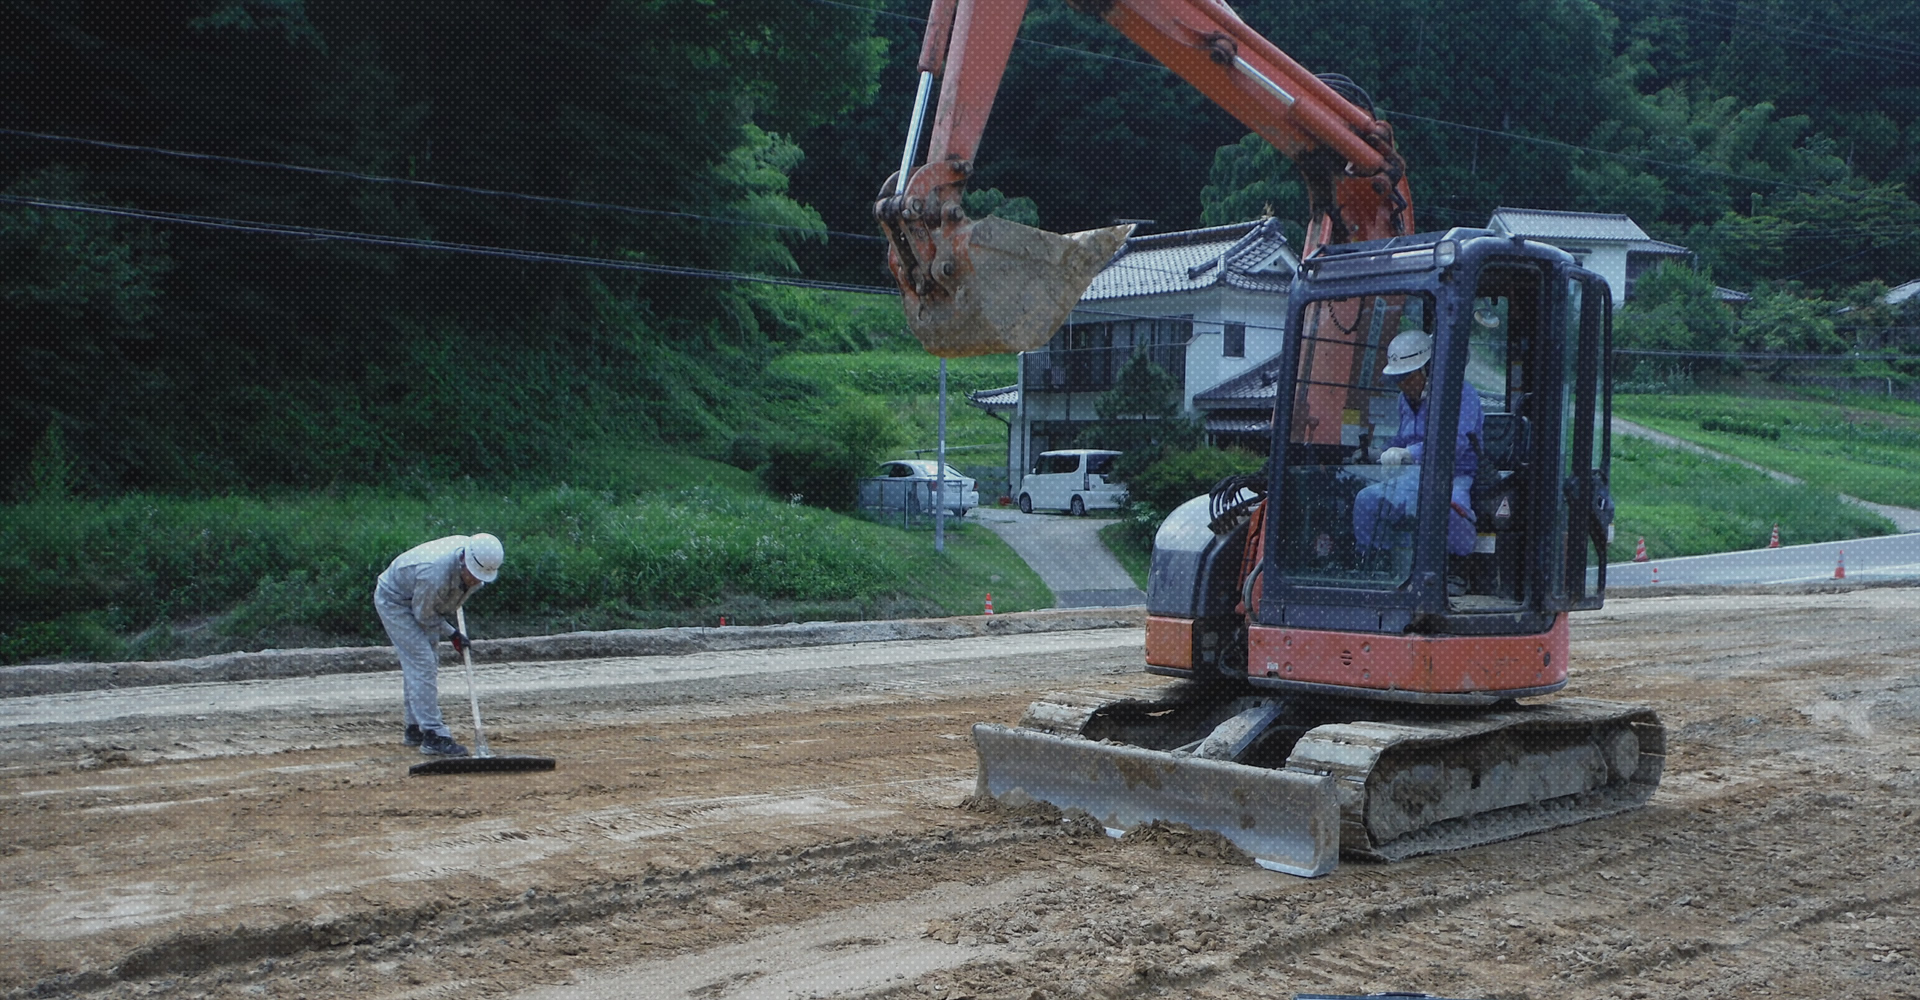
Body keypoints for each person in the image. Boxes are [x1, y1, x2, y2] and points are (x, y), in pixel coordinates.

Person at [1353, 330, 1483, 559]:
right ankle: (1376, 563)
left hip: (1452, 475)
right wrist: (1379, 453)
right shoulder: (1404, 400)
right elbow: (1402, 439)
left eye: (1409, 377)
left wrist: (1408, 453)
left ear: (1430, 369)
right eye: (1398, 379)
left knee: (1450, 508)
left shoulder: (1463, 395)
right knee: (1367, 500)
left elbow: (1456, 445)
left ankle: (1456, 568)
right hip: (1412, 476)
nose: (1403, 385)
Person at [373, 533, 504, 757]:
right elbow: (424, 616)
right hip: (395, 600)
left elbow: (444, 604)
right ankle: (434, 735)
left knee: (424, 662)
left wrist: (450, 629)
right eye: (473, 575)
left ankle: (415, 728)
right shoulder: (433, 573)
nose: (476, 581)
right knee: (422, 662)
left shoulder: (478, 559)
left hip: (423, 600)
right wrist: (452, 633)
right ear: (464, 560)